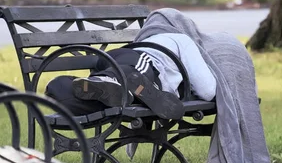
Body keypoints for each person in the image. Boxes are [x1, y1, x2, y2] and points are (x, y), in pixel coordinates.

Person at [45, 33, 216, 120]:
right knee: (132, 73)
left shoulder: (154, 36)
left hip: (113, 59)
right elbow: (207, 90)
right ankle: (116, 85)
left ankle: (118, 90)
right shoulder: (182, 39)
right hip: (141, 64)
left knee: (56, 88)